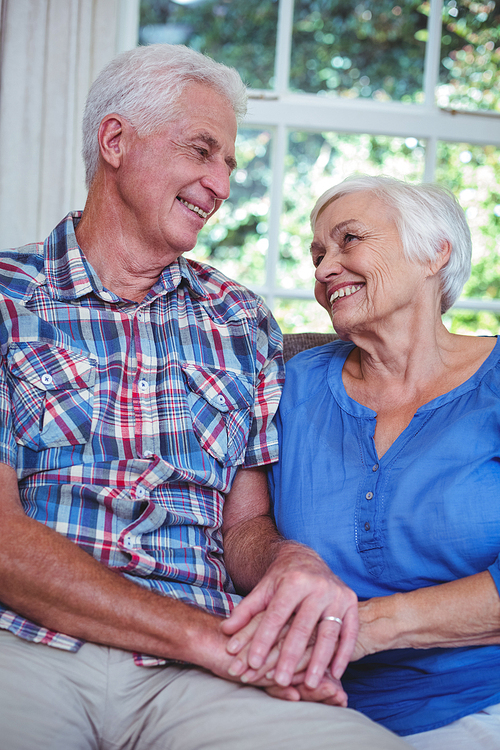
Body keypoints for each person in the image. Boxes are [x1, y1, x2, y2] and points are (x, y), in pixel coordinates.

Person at [0, 46, 409, 750]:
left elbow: (243, 530)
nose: (220, 184)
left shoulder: (239, 318)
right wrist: (214, 642)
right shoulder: (10, 296)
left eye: (228, 164)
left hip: (193, 674)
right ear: (116, 142)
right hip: (30, 646)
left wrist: (291, 564)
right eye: (202, 150)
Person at [266, 174, 500, 749]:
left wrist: (369, 628)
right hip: (307, 705)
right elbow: (237, 525)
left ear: (434, 252)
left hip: (482, 702)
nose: (323, 270)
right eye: (317, 254)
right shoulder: (287, 385)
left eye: (349, 240)